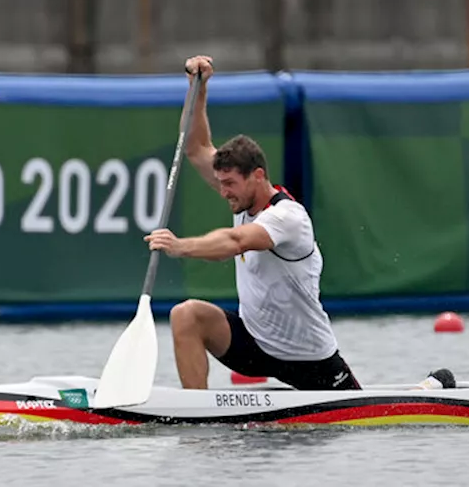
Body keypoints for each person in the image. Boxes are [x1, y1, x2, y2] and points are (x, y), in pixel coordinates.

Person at [144, 55, 361, 391]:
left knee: (362, 412)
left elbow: (236, 242)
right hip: (256, 345)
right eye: (221, 182)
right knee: (186, 315)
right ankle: (198, 412)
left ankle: (432, 387)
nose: (223, 191)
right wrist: (197, 89)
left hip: (309, 359)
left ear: (257, 176)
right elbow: (197, 147)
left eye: (229, 183)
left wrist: (180, 246)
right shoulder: (242, 196)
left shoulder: (288, 218)